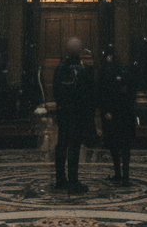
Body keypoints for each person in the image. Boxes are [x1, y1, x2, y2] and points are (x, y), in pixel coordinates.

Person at [53, 37, 94, 194]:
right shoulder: (81, 69)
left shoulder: (60, 67)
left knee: (61, 144)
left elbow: (56, 91)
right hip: (77, 114)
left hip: (63, 112)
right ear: (79, 50)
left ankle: (60, 179)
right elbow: (86, 94)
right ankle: (73, 180)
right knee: (74, 147)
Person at [97, 48, 135, 184]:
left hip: (117, 114)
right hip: (118, 114)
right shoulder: (113, 72)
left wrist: (106, 111)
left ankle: (123, 174)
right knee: (119, 145)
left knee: (120, 145)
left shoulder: (119, 72)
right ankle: (121, 174)